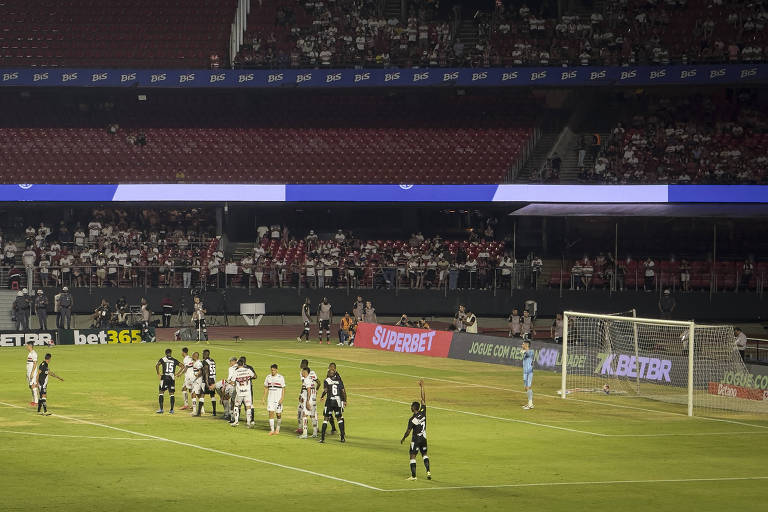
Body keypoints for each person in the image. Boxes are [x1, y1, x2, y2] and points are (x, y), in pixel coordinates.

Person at [400, 379, 430, 481]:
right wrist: (422, 387)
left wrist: (403, 438)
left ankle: (413, 476)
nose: (410, 407)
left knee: (412, 456)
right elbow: (423, 399)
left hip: (416, 440)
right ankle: (428, 471)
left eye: (411, 406)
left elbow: (408, 432)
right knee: (425, 454)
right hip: (424, 438)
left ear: (413, 408)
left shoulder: (412, 420)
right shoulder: (423, 412)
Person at [319, 364, 346, 443]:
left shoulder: (327, 380)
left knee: (326, 419)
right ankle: (342, 438)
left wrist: (322, 396)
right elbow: (343, 391)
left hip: (330, 401)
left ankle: (322, 439)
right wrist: (344, 400)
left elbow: (326, 390)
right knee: (339, 419)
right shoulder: (339, 380)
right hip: (338, 401)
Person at [155, 348, 184, 414]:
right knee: (171, 394)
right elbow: (182, 366)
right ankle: (171, 410)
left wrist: (158, 373)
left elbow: (157, 365)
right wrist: (177, 373)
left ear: (165, 353)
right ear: (171, 353)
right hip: (171, 378)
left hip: (164, 377)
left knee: (161, 392)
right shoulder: (174, 360)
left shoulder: (163, 359)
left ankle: (161, 409)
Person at [230, 357, 255, 428]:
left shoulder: (236, 372)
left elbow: (232, 382)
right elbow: (255, 376)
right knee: (248, 407)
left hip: (240, 392)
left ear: (238, 364)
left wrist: (232, 382)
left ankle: (236, 421)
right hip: (247, 392)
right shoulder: (248, 370)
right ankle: (248, 423)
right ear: (243, 364)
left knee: (236, 406)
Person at [263, 364, 286, 435]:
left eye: (273, 370)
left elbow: (283, 388)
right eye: (271, 370)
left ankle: (277, 429)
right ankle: (272, 430)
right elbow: (266, 387)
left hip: (278, 399)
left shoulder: (280, 377)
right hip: (270, 399)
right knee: (270, 413)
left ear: (276, 370)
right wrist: (263, 398)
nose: (272, 371)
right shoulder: (268, 377)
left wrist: (282, 398)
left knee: (278, 414)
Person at [298, 366, 318, 439]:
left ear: (305, 372)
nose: (301, 372)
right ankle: (315, 433)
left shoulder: (306, 380)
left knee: (304, 415)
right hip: (313, 399)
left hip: (309, 400)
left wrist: (307, 401)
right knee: (312, 416)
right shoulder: (311, 380)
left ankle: (305, 433)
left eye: (302, 371)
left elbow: (309, 390)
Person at [201, 349, 217, 416]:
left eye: (203, 354)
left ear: (205, 354)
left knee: (202, 394)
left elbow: (206, 372)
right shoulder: (212, 360)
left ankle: (202, 411)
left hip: (208, 380)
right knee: (212, 395)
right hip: (213, 380)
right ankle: (214, 411)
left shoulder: (204, 362)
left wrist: (207, 383)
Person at [189, 351, 205, 416]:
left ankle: (194, 411)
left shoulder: (198, 363)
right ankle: (202, 410)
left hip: (198, 381)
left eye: (192, 355)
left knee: (193, 394)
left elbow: (201, 370)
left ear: (195, 356)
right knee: (199, 395)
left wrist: (197, 376)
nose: (191, 357)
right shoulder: (197, 362)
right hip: (198, 381)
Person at [522, 340, 534, 410]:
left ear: (526, 345)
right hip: (525, 372)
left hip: (529, 372)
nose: (522, 345)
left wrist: (525, 350)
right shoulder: (525, 352)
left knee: (528, 387)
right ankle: (529, 402)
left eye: (523, 344)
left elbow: (529, 354)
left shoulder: (531, 351)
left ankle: (530, 404)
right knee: (526, 387)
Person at [26, 341, 39, 407]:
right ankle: (33, 400)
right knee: (31, 387)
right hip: (29, 373)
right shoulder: (30, 353)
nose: (26, 347)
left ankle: (36, 402)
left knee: (33, 386)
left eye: (27, 345)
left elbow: (35, 364)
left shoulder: (34, 354)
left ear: (30, 346)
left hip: (32, 373)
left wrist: (32, 373)